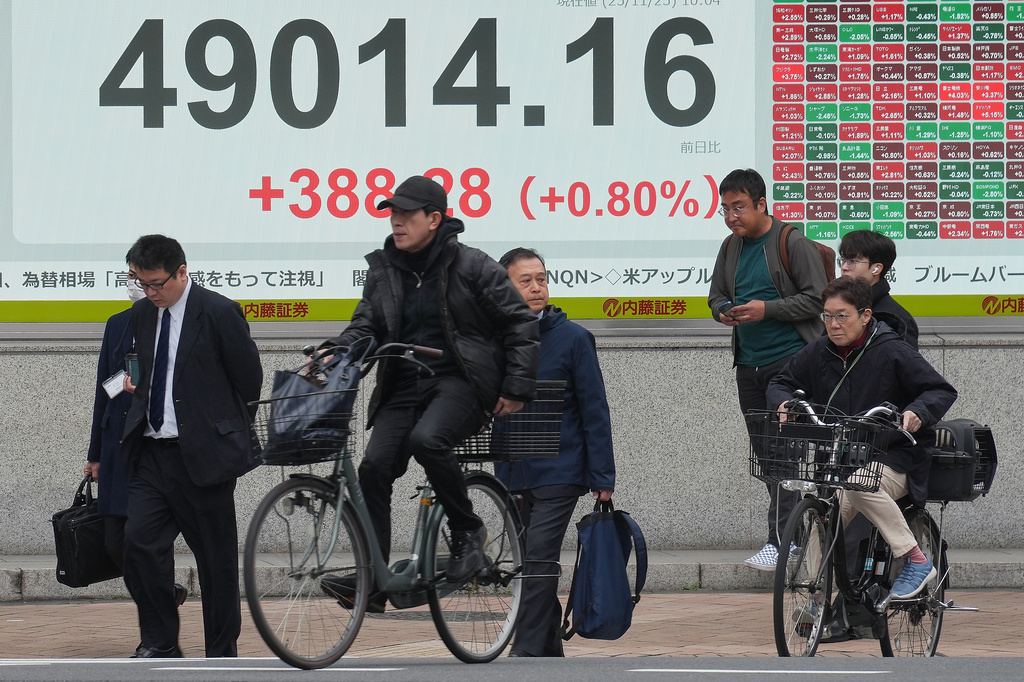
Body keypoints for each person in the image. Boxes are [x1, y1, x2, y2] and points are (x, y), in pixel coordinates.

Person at [318, 176, 540, 612]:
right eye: (392, 214)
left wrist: (516, 386)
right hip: (403, 383)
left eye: (406, 214)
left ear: (434, 219)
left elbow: (520, 323)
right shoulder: (384, 269)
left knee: (427, 440)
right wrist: (338, 349)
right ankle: (373, 577)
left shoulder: (473, 266)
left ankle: (467, 530)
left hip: (461, 382)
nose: (396, 222)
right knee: (375, 466)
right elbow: (366, 324)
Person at [766, 276, 957, 603]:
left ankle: (915, 559)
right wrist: (783, 401)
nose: (833, 324)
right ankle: (816, 600)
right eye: (826, 316)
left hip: (896, 457)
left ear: (865, 315)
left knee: (859, 484)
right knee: (820, 516)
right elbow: (781, 381)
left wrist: (917, 412)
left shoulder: (891, 349)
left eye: (842, 316)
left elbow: (939, 389)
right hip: (842, 458)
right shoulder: (818, 351)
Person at [120, 234, 263, 658]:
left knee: (215, 563)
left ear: (182, 271)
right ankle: (160, 641)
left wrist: (226, 436)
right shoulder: (143, 314)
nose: (149, 292)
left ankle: (221, 651)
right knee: (139, 544)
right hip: (152, 453)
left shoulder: (218, 312)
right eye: (139, 283)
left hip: (204, 458)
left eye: (156, 284)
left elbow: (247, 381)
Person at [495, 247, 616, 658]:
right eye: (525, 280)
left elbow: (594, 411)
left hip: (561, 469)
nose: (536, 287)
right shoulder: (496, 340)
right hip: (512, 471)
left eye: (541, 279)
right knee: (530, 558)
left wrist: (603, 479)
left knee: (539, 556)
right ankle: (548, 651)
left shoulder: (574, 339)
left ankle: (525, 650)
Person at [707, 168, 829, 571]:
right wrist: (723, 311)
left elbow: (816, 300)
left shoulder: (790, 241)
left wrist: (767, 309)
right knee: (768, 458)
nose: (731, 217)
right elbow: (715, 295)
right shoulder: (731, 247)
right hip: (748, 365)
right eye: (725, 209)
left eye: (738, 207)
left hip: (789, 364)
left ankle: (783, 541)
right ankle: (792, 535)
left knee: (785, 455)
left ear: (762, 204)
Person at [84, 278, 186, 608]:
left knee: (148, 538)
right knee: (115, 541)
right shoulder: (117, 324)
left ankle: (157, 620)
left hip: (152, 443)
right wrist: (95, 454)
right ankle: (163, 595)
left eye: (144, 279)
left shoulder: (172, 322)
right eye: (132, 278)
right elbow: (104, 389)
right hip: (117, 442)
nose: (136, 285)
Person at [837, 229, 919, 349]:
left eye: (852, 261)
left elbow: (907, 365)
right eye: (843, 260)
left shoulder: (895, 319)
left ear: (877, 268)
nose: (844, 267)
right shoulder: (837, 307)